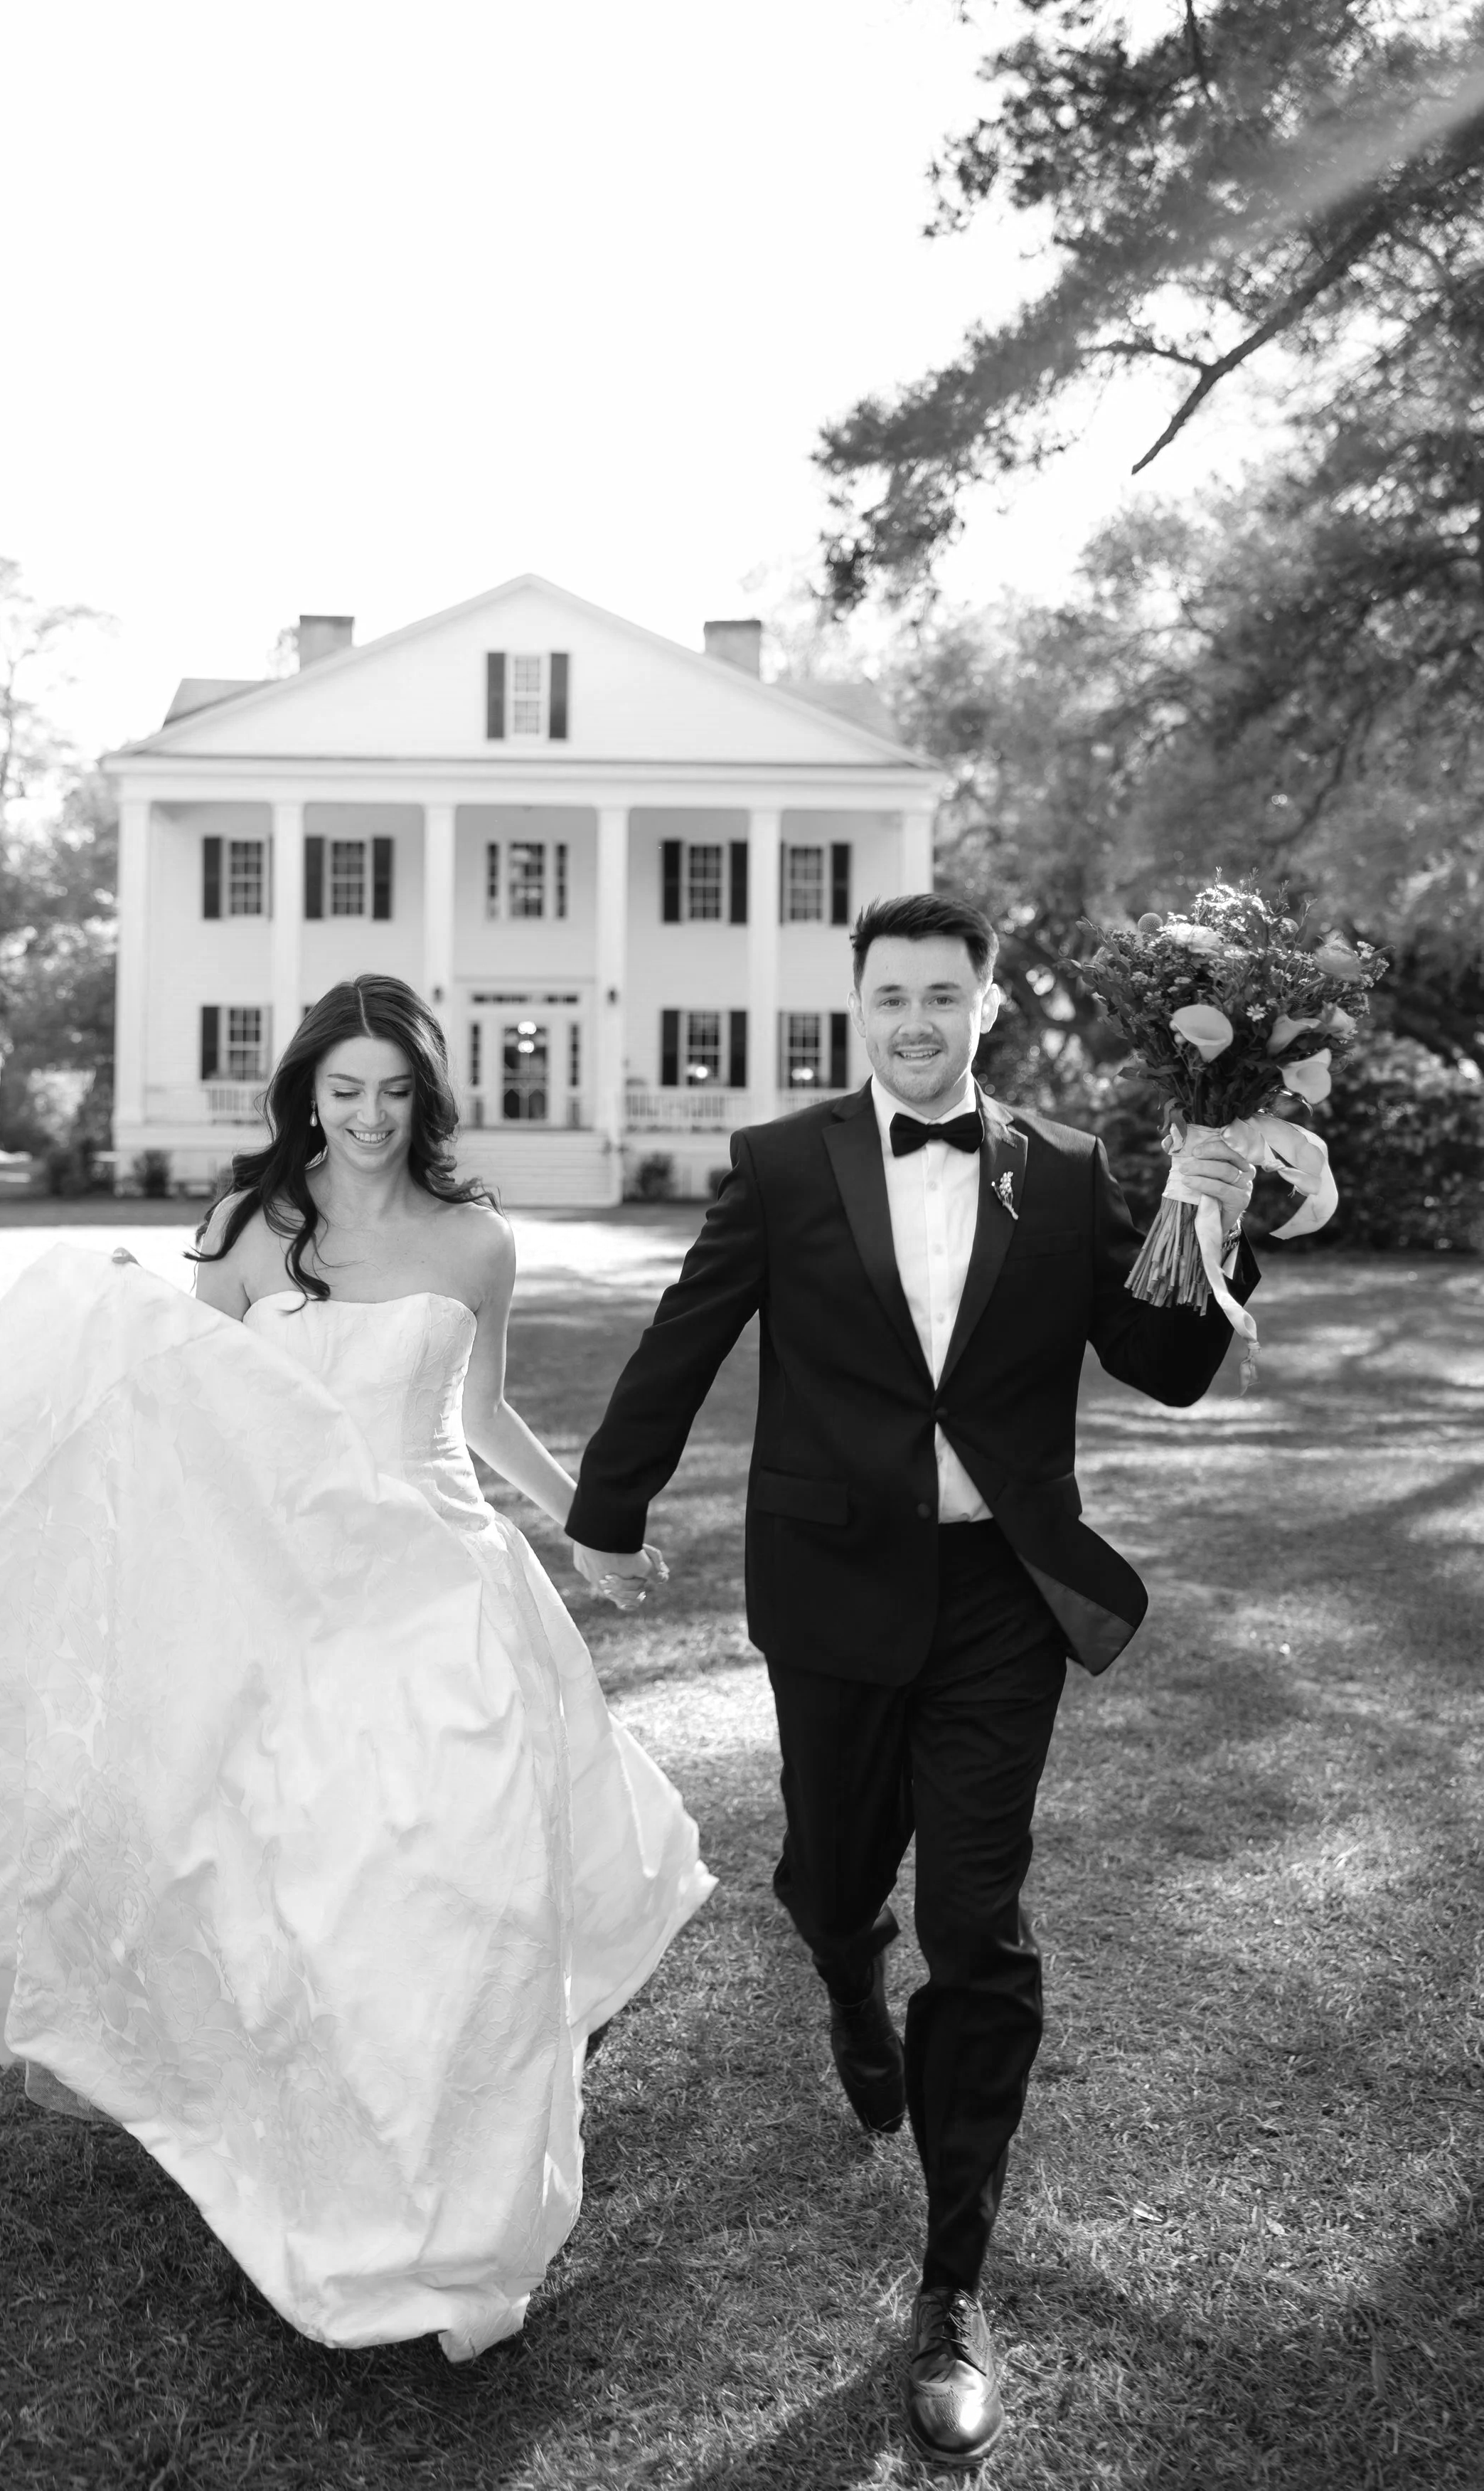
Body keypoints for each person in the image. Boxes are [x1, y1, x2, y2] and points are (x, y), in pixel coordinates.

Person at [0, 975, 712, 2364]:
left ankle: (471, 2189)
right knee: (317, 1893)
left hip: (445, 1589)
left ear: (423, 1100)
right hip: (290, 1597)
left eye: (392, 1092)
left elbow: (479, 1409)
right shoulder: (253, 1231)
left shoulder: (475, 1239)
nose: (367, 1118)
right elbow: (184, 1408)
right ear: (305, 1092)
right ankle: (349, 2157)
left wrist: (590, 1528)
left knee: (479, 1885)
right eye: (342, 1089)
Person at [565, 893, 1257, 2467]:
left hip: (998, 1602)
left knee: (979, 1921)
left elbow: (1156, 1366)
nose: (915, 1023)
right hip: (828, 1592)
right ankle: (841, 1980)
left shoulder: (1068, 1172)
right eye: (890, 998)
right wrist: (608, 1511)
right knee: (828, 1879)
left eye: (942, 997)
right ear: (855, 1006)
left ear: (984, 1006)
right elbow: (688, 1333)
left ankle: (951, 2286)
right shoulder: (783, 1162)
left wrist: (1219, 1223)